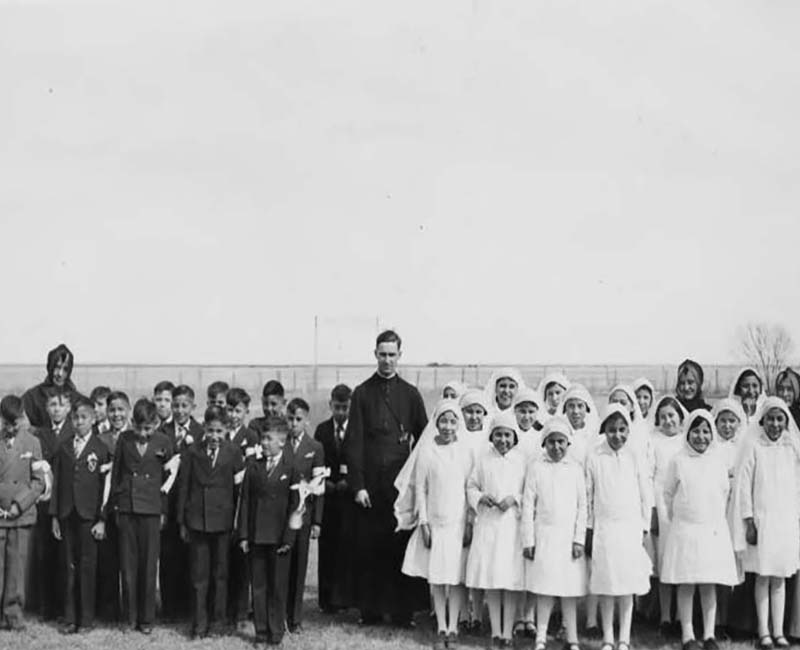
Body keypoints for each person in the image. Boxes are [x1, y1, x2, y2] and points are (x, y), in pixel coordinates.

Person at [343, 330, 429, 626]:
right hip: (371, 486)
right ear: (375, 355)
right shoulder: (362, 393)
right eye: (383, 354)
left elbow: (425, 438)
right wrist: (358, 486)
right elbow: (353, 442)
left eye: (392, 355)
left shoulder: (411, 394)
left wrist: (415, 482)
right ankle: (371, 611)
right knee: (370, 548)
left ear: (400, 356)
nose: (387, 360)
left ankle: (403, 613)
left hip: (400, 486)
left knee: (400, 547)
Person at [659, 409, 739, 650]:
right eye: (696, 431)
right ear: (688, 433)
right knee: (686, 583)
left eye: (706, 431)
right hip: (685, 530)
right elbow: (668, 493)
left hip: (711, 530)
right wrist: (680, 519)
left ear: (711, 433)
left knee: (708, 583)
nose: (701, 437)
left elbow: (724, 492)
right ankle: (687, 635)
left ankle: (709, 634)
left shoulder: (717, 461)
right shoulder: (678, 460)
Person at [401, 400, 472, 649]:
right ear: (436, 423)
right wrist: (423, 522)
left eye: (453, 421)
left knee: (456, 578)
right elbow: (420, 488)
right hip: (436, 521)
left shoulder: (465, 451)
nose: (448, 426)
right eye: (443, 421)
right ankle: (441, 624)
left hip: (458, 523)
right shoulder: (427, 451)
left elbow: (468, 488)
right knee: (438, 577)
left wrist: (470, 522)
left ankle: (454, 625)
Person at [733, 398, 800, 649]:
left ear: (785, 421)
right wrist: (749, 520)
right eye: (770, 418)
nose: (774, 423)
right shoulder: (754, 447)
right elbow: (744, 487)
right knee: (762, 576)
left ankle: (779, 631)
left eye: (779, 419)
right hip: (762, 521)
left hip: (785, 522)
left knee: (780, 578)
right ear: (763, 420)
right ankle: (763, 631)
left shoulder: (792, 448)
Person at [585, 405, 652, 650]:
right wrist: (590, 528)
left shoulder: (635, 456)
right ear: (604, 430)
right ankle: (607, 637)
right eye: (612, 430)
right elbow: (589, 495)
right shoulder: (594, 456)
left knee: (626, 585)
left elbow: (646, 493)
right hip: (604, 529)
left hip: (630, 528)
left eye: (622, 429)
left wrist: (644, 526)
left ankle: (624, 637)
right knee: (607, 584)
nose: (617, 435)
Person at [176, 406, 244, 639]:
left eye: (219, 431)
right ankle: (199, 623)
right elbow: (184, 487)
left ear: (226, 431)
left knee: (221, 575)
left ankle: (218, 621)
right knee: (199, 576)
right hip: (198, 522)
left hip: (223, 524)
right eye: (211, 430)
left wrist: (238, 523)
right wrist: (182, 521)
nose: (215, 436)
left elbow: (239, 492)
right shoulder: (193, 452)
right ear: (204, 428)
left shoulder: (234, 453)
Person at [108, 398, 174, 634]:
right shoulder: (124, 440)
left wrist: (164, 510)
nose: (143, 434)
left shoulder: (164, 442)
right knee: (128, 566)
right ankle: (129, 617)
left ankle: (146, 619)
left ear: (156, 423)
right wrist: (116, 507)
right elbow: (116, 475)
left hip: (152, 510)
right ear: (132, 423)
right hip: (127, 509)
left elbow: (170, 479)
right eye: (139, 428)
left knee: (148, 566)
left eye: (148, 429)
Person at [522, 416, 588, 650]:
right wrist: (529, 540)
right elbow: (528, 505)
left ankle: (572, 638)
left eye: (561, 442)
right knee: (545, 588)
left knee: (569, 590)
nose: (557, 447)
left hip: (568, 539)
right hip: (545, 537)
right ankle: (541, 637)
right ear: (544, 443)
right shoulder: (536, 467)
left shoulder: (576, 469)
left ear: (568, 443)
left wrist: (579, 539)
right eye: (552, 442)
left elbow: (583, 507)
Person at [49, 395, 112, 634]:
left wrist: (102, 519)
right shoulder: (64, 447)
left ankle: (86, 619)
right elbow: (56, 485)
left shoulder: (100, 448)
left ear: (93, 419)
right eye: (75, 417)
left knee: (87, 567)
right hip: (67, 515)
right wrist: (55, 515)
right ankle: (69, 617)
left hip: (89, 517)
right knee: (68, 566)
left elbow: (106, 489)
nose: (79, 422)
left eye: (84, 417)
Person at [236, 415, 299, 647]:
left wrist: (289, 538)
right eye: (262, 438)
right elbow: (244, 504)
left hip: (280, 540)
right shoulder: (253, 468)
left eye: (269, 438)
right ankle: (261, 633)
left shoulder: (291, 469)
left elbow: (296, 506)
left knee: (277, 587)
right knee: (259, 587)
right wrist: (243, 535)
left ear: (282, 442)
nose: (263, 442)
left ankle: (276, 634)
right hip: (256, 537)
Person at [465, 410, 526, 647]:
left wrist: (515, 499)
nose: (502, 440)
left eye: (507, 435)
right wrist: (481, 497)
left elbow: (529, 491)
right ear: (492, 437)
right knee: (492, 578)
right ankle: (496, 631)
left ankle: (508, 632)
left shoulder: (521, 461)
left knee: (509, 580)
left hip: (511, 527)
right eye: (498, 435)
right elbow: (471, 485)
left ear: (514, 437)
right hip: (489, 526)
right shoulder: (483, 460)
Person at [0, 395, 45, 631]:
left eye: (15, 422)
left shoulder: (33, 443)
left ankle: (14, 615)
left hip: (22, 516)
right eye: (6, 423)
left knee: (17, 568)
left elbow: (39, 482)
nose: (11, 428)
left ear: (22, 417)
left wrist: (19, 504)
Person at [159, 384, 202, 621]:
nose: (179, 410)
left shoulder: (201, 431)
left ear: (193, 407)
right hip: (167, 501)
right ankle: (169, 607)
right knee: (168, 556)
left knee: (189, 556)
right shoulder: (162, 431)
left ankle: (188, 606)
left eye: (184, 405)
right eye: (175, 405)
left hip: (190, 503)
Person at [284, 397, 325, 633]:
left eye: (298, 419)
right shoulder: (280, 443)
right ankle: (279, 612)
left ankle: (295, 618)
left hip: (304, 515)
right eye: (290, 418)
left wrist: (317, 521)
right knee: (282, 565)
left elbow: (319, 489)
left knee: (299, 566)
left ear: (306, 421)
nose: (293, 423)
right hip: (281, 516)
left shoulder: (315, 448)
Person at [26, 385, 66, 621]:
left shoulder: (75, 431)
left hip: (67, 503)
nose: (56, 409)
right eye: (52, 405)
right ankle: (45, 607)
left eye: (60, 404)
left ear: (68, 407)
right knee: (44, 555)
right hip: (44, 504)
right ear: (46, 408)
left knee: (64, 557)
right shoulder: (39, 435)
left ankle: (64, 606)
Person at [650, 395, 688, 634]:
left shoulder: (687, 440)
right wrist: (653, 511)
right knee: (664, 560)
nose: (667, 420)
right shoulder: (652, 441)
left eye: (671, 415)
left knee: (682, 559)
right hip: (661, 505)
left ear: (680, 417)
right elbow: (648, 474)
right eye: (663, 416)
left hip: (683, 504)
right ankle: (665, 616)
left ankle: (681, 615)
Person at [314, 383, 352, 613]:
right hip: (328, 497)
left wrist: (351, 482)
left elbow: (359, 459)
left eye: (345, 407)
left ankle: (345, 597)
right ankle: (326, 600)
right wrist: (325, 483)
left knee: (346, 549)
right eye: (337, 407)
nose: (340, 412)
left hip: (348, 498)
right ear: (330, 405)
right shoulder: (322, 430)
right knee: (326, 549)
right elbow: (318, 460)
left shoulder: (358, 429)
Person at [225, 387, 259, 627]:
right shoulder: (220, 432)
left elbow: (251, 469)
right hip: (222, 502)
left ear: (246, 411)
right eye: (230, 409)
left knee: (241, 559)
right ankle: (224, 608)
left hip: (242, 501)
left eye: (238, 410)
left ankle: (239, 610)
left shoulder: (251, 436)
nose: (233, 415)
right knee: (223, 559)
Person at [95, 390, 130, 623]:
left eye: (120, 410)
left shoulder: (137, 436)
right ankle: (108, 611)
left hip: (130, 508)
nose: (117, 414)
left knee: (129, 562)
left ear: (128, 410)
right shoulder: (101, 440)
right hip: (107, 507)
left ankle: (130, 610)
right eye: (112, 410)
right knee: (108, 561)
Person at [22, 343, 79, 429]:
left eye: (65, 369)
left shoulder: (76, 399)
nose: (60, 374)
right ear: (50, 367)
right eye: (57, 367)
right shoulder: (32, 397)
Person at [513, 388, 544, 462]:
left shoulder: (540, 437)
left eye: (531, 412)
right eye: (522, 412)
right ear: (515, 411)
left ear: (537, 412)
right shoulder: (509, 434)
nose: (526, 417)